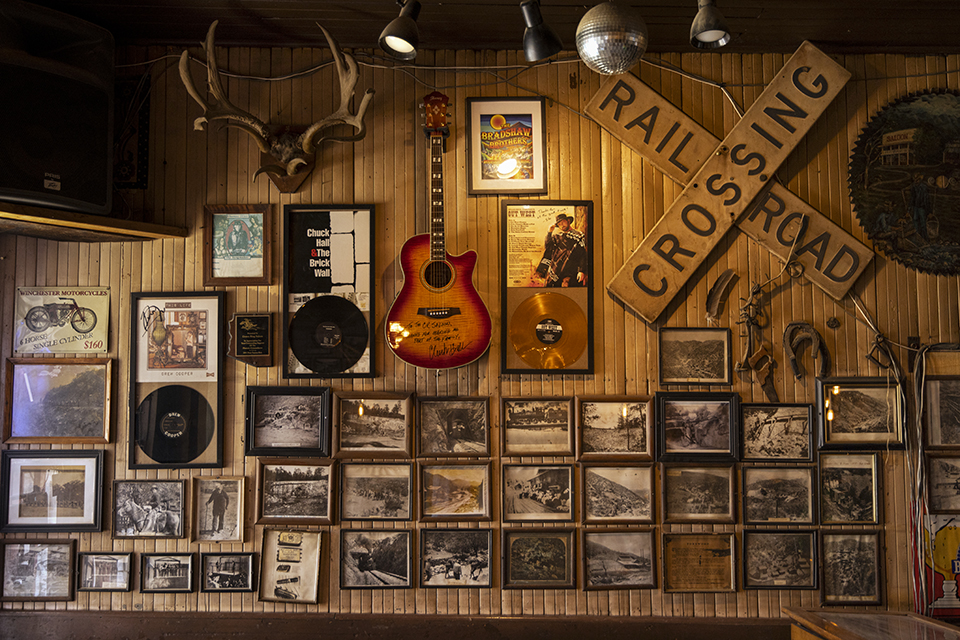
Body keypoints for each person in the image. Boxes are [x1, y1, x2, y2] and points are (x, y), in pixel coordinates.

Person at [536, 213, 588, 287]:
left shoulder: (579, 236)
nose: (562, 225)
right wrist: (549, 233)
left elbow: (582, 254)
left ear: (568, 221)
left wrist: (581, 271)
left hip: (571, 270)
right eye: (559, 224)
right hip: (556, 270)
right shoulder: (557, 237)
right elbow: (548, 247)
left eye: (563, 222)